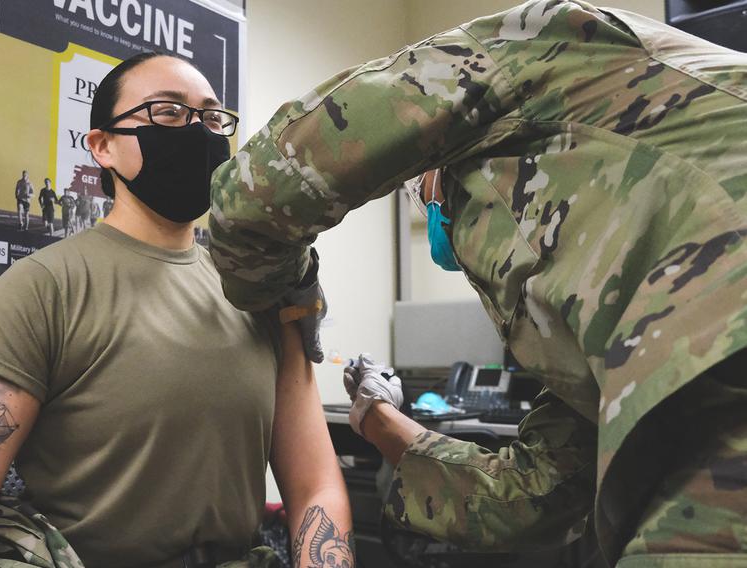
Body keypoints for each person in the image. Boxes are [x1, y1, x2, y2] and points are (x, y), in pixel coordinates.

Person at [206, 2, 747, 567]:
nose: (432, 207)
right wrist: (384, 425)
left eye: (423, 190)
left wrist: (289, 292)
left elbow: (257, 193)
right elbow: (546, 494)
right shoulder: (614, 299)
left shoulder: (555, 41)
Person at [0, 52, 353, 568]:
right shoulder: (44, 288)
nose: (197, 131)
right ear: (102, 146)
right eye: (168, 112)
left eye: (211, 117)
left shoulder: (260, 294)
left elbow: (316, 488)